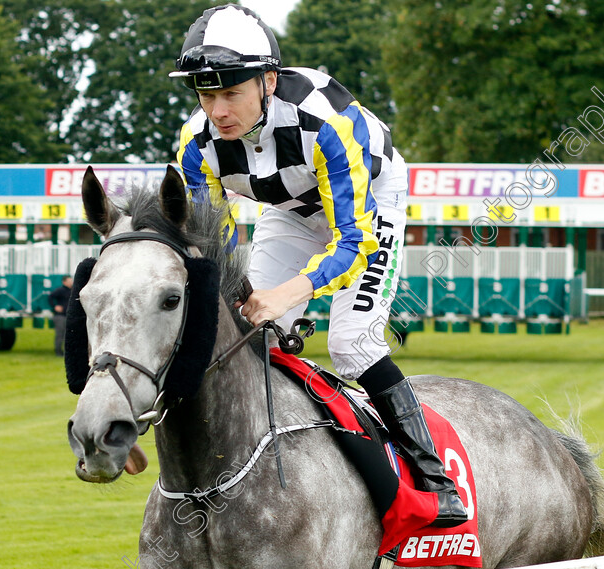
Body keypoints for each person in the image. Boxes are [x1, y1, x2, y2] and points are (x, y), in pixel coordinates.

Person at [170, 5, 466, 526]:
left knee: (352, 343)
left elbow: (353, 241)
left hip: (368, 207)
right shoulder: (196, 145)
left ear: (267, 80)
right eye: (206, 94)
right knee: (247, 338)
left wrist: (287, 295)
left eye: (231, 93)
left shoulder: (322, 121)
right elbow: (208, 248)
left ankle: (434, 480)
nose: (218, 111)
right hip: (289, 214)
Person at [49, 275, 72, 357]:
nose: (71, 283)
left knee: (68, 335)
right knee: (60, 334)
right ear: (64, 282)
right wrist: (55, 306)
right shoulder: (60, 290)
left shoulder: (72, 291)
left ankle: (67, 352)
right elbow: (50, 297)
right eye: (69, 281)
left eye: (71, 281)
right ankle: (58, 351)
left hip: (69, 316)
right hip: (60, 316)